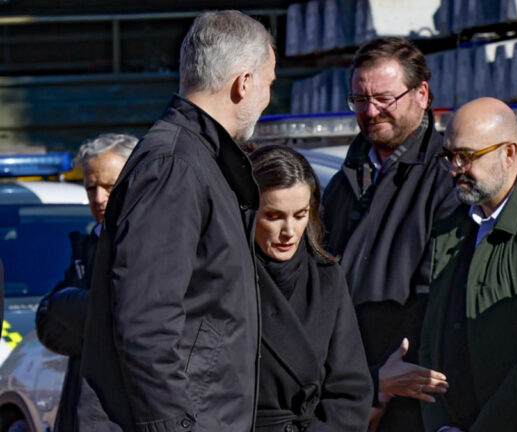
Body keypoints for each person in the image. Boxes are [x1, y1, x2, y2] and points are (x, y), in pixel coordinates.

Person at [77, 10, 272, 431]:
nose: (266, 96)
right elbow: (146, 321)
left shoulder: (196, 160)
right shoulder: (175, 165)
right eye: (269, 83)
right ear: (244, 83)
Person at [321, 37, 456, 431]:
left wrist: (381, 388)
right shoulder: (344, 178)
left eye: (383, 98)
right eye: (360, 100)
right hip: (345, 390)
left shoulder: (445, 176)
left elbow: (432, 297)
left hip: (408, 401)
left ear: (422, 94)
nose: (371, 111)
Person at [420, 97, 517, 432]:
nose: (455, 168)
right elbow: (432, 336)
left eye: (466, 156)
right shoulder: (453, 226)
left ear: (510, 153)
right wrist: (440, 424)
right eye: (449, 156)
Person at [249, 145, 372, 431]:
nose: (289, 231)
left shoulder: (326, 279)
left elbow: (350, 389)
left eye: (300, 214)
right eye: (274, 216)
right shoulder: (224, 278)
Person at [36, 134, 137, 432]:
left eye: (109, 186)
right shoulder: (88, 244)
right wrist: (97, 334)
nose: (98, 198)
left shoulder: (148, 247)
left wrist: (81, 319)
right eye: (91, 187)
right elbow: (47, 320)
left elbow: (130, 322)